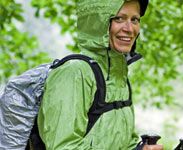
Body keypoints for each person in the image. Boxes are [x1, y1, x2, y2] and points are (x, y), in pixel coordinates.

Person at [37, 0, 163, 149]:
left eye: (134, 20)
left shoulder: (119, 76)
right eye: (118, 18)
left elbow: (120, 143)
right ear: (97, 23)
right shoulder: (74, 73)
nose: (130, 29)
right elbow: (63, 147)